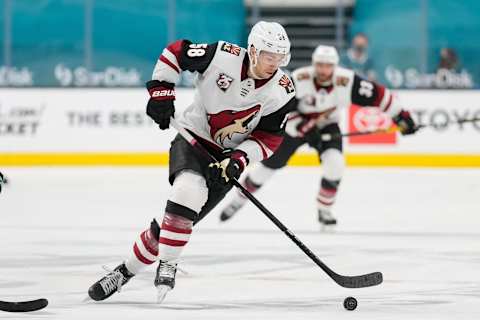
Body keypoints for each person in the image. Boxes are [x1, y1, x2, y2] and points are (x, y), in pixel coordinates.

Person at [88, 21, 296, 303]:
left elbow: (269, 138)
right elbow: (175, 53)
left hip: (224, 161)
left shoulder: (282, 90)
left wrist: (240, 158)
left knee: (172, 225)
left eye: (280, 57)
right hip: (192, 137)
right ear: (254, 51)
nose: (275, 63)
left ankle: (123, 273)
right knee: (188, 189)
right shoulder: (222, 55)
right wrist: (161, 92)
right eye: (270, 55)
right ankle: (168, 264)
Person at [220, 45, 418, 226]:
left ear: (335, 66)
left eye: (328, 66)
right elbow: (281, 110)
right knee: (268, 167)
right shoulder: (299, 78)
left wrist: (402, 116)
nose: (324, 70)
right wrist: (302, 127)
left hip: (327, 125)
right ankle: (238, 200)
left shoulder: (347, 81)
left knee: (335, 164)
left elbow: (380, 95)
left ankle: (325, 210)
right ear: (314, 64)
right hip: (293, 127)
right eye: (320, 65)